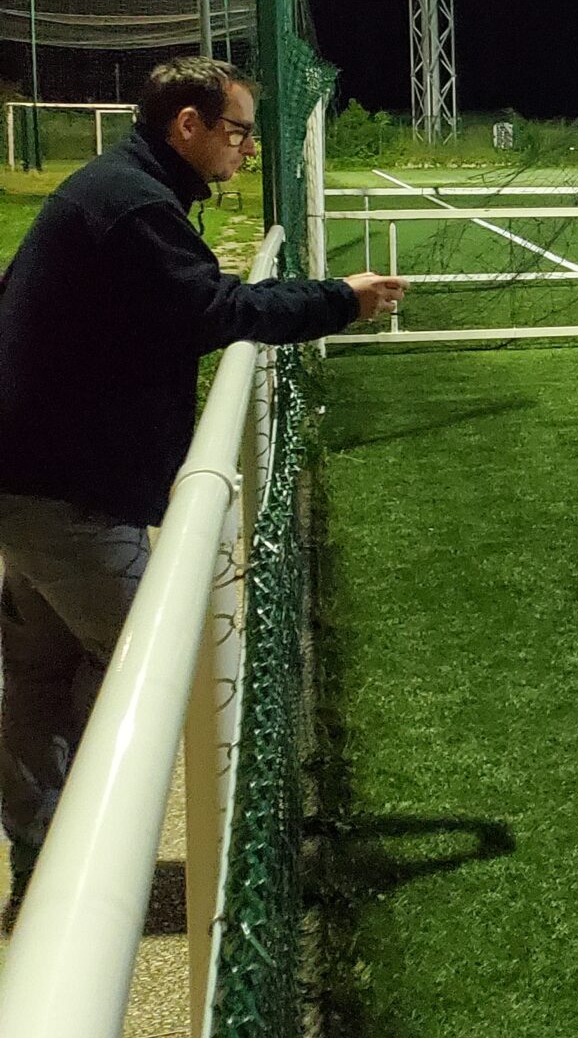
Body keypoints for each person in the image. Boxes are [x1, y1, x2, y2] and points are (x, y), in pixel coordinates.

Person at [0, 58, 401, 921]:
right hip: (64, 498)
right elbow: (217, 312)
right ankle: (96, 879)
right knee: (158, 665)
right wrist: (343, 299)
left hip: (39, 482)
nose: (246, 149)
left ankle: (43, 856)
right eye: (239, 131)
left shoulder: (123, 190)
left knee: (43, 673)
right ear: (186, 125)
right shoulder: (134, 203)